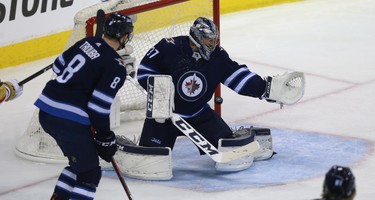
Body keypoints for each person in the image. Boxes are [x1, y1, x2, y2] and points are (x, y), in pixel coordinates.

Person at [136, 17, 294, 159]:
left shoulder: (217, 56)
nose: (213, 43)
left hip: (199, 115)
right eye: (209, 40)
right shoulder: (168, 47)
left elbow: (237, 76)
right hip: (164, 118)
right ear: (197, 38)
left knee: (228, 147)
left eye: (214, 39)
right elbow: (144, 71)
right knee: (150, 158)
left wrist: (265, 89)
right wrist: (161, 92)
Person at [34, 13, 133, 200]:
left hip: (46, 112)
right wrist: (105, 137)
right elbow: (98, 107)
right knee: (90, 174)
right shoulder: (116, 66)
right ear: (124, 37)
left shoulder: (85, 44)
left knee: (79, 165)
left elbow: (58, 66)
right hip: (69, 120)